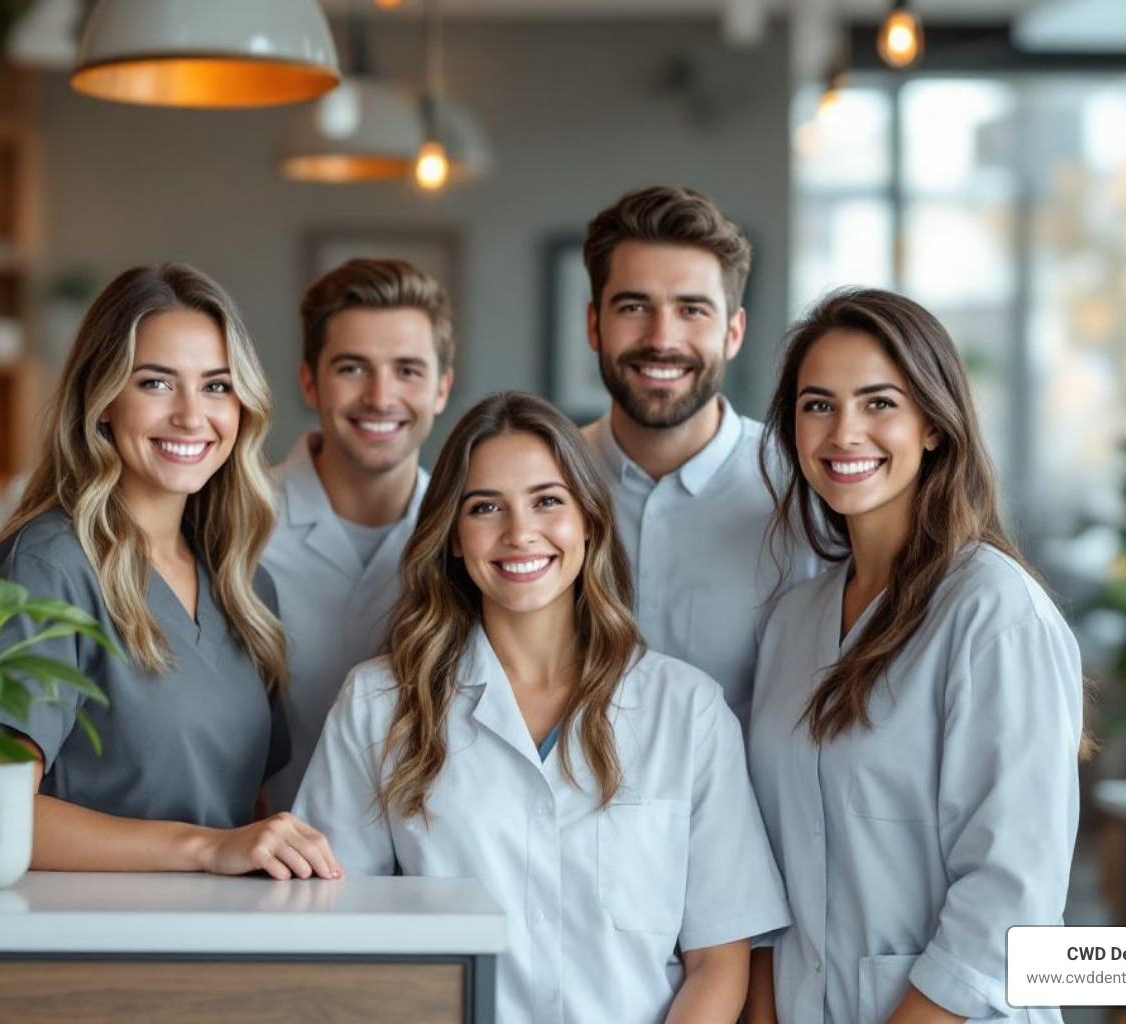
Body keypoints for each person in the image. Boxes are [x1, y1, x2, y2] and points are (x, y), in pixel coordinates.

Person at [295, 392, 788, 1024]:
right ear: (451, 537)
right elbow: (337, 932)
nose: (519, 531)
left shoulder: (686, 710)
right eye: (485, 507)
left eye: (547, 501)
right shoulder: (379, 704)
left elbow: (719, 961)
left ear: (588, 520)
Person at [745, 288, 1085, 1024]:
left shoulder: (993, 613)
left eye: (878, 404)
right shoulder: (794, 621)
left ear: (933, 423)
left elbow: (1009, 898)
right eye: (817, 405)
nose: (844, 433)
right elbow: (770, 870)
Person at [0, 262, 340, 880]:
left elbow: (246, 809)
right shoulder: (48, 566)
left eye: (217, 386)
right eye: (156, 383)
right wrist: (203, 849)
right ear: (102, 400)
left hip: (215, 944)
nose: (193, 416)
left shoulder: (244, 586)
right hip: (71, 944)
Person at [579, 185, 821, 726]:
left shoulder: (804, 491)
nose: (662, 338)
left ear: (733, 332)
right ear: (594, 324)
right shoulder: (544, 484)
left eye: (692, 310)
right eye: (635, 306)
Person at [262, 257, 454, 810]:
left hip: (422, 875)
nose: (380, 396)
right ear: (309, 382)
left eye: (408, 370)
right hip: (256, 866)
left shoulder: (470, 539)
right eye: (352, 368)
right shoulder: (235, 522)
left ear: (441, 388)